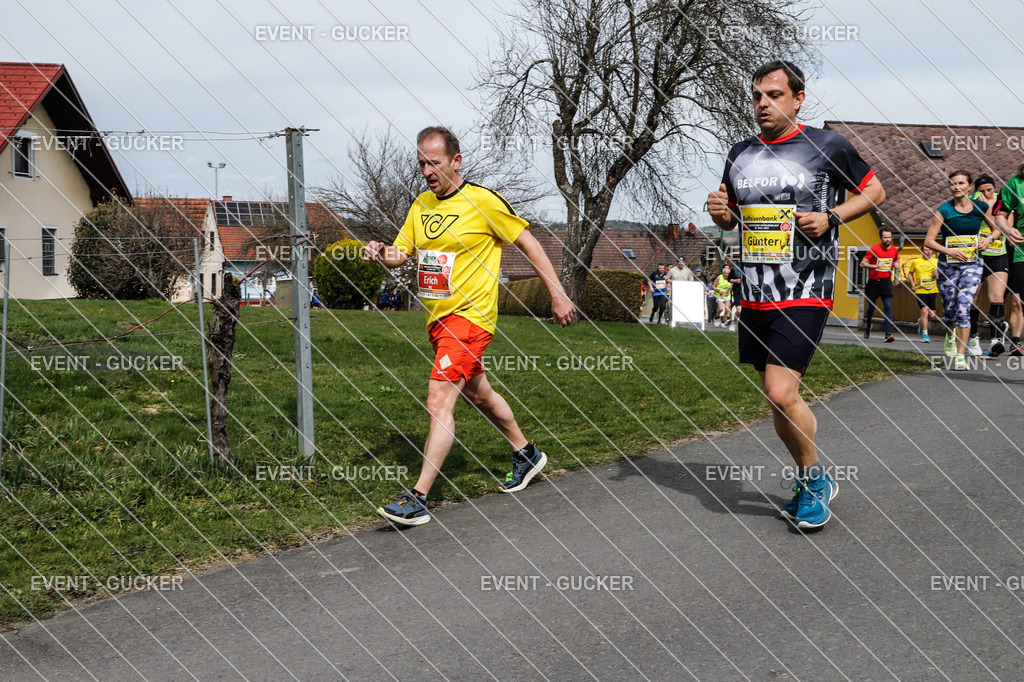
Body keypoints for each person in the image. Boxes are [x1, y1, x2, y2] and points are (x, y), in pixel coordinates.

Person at [364, 126, 575, 526]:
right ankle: (526, 452)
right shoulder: (421, 206)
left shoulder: (483, 202)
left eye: (434, 162)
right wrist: (380, 252)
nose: (426, 170)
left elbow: (529, 243)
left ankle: (418, 497)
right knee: (479, 394)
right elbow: (400, 254)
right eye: (421, 163)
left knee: (439, 399)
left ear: (456, 161)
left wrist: (558, 294)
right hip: (438, 321)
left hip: (471, 319)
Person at [707, 60, 886, 530]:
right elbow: (731, 221)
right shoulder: (740, 153)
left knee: (780, 390)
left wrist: (832, 217)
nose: (763, 104)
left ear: (798, 98)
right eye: (757, 97)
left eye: (774, 95)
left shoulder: (827, 145)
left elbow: (875, 192)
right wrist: (719, 211)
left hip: (806, 286)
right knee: (778, 401)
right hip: (755, 289)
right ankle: (809, 477)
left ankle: (814, 479)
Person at [924, 170, 1021, 370]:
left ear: (969, 187)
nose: (956, 187)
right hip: (948, 265)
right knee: (951, 311)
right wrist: (949, 251)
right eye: (952, 183)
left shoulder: (981, 207)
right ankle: (951, 335)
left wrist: (989, 239)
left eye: (961, 183)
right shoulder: (944, 210)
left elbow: (996, 228)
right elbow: (929, 241)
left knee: (964, 307)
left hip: (972, 264)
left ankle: (960, 356)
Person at [973, 175, 1010, 356]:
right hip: (975, 255)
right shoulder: (970, 201)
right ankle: (973, 336)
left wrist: (987, 209)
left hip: (997, 254)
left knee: (997, 296)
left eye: (989, 190)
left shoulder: (1002, 202)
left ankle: (996, 339)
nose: (986, 194)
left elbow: (1004, 227)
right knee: (974, 300)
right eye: (982, 191)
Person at [995, 162, 1024, 357]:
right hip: (1022, 249)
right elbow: (1000, 215)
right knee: (1019, 302)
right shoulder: (1016, 183)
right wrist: (1007, 229)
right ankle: (1015, 341)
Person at [860, 228, 899, 343]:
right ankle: (868, 326)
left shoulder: (894, 250)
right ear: (881, 238)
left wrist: (897, 265)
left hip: (886, 282)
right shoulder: (874, 249)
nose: (888, 240)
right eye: (885, 237)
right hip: (873, 282)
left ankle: (888, 334)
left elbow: (896, 261)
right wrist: (875, 266)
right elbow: (862, 264)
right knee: (871, 308)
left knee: (887, 306)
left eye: (889, 237)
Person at [905, 245, 938, 342]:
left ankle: (921, 323)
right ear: (922, 252)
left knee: (931, 315)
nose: (928, 251)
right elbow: (910, 273)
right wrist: (912, 282)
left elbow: (945, 273)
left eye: (929, 250)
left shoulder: (936, 261)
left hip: (933, 290)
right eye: (925, 250)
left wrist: (938, 273)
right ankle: (925, 335)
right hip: (920, 290)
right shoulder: (916, 262)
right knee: (924, 311)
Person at [729, 263, 742, 330]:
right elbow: (729, 279)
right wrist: (736, 280)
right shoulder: (735, 269)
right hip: (737, 292)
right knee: (739, 310)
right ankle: (734, 322)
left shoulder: (749, 267)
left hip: (747, 292)